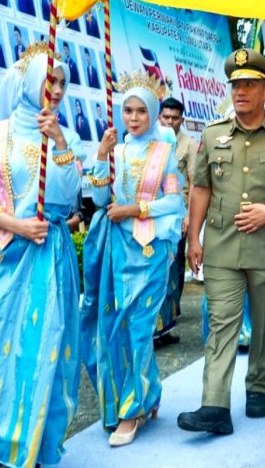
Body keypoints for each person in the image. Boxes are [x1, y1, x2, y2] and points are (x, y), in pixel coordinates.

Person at [177, 48, 265, 435]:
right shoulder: (212, 135)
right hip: (221, 245)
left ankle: (258, 388)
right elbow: (201, 188)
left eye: (249, 85)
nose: (240, 91)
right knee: (222, 323)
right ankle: (215, 406)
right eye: (236, 84)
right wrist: (194, 238)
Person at [0, 48, 84, 468]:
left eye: (62, 82)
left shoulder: (66, 138)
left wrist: (60, 143)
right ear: (28, 82)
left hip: (48, 258)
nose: (57, 90)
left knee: (42, 350)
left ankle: (34, 449)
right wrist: (14, 225)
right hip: (2, 257)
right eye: (50, 81)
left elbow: (67, 197)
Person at [81, 71, 185, 447]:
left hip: (151, 250)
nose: (134, 118)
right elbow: (98, 200)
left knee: (139, 328)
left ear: (154, 113)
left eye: (142, 111)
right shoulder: (117, 151)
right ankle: (149, 392)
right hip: (117, 251)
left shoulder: (164, 153)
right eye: (128, 111)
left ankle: (132, 410)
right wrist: (101, 155)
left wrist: (135, 209)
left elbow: (174, 201)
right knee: (116, 327)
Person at [156, 97, 197, 344]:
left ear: (182, 119)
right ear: (159, 116)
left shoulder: (189, 144)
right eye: (166, 117)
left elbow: (193, 183)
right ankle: (157, 321)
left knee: (175, 265)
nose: (169, 122)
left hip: (177, 212)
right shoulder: (153, 139)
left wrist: (189, 216)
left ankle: (170, 317)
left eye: (174, 118)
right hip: (153, 212)